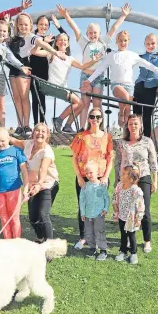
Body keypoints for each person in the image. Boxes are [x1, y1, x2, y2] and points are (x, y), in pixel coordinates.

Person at [57, 3, 131, 130]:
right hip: (86, 75)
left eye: (95, 33)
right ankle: (82, 127)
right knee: (85, 103)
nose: (92, 35)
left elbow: (114, 28)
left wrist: (123, 16)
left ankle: (99, 128)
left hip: (98, 77)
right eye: (90, 33)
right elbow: (75, 29)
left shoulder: (103, 42)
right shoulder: (84, 43)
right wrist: (66, 16)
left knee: (97, 104)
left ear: (99, 33)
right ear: (87, 34)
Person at [82, 30, 158, 128]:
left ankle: (125, 134)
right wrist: (89, 80)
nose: (123, 43)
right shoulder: (111, 55)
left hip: (130, 86)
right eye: (120, 41)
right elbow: (100, 69)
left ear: (128, 41)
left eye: (125, 40)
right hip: (117, 85)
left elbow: (148, 65)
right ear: (117, 42)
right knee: (126, 98)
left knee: (128, 113)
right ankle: (121, 113)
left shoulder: (132, 55)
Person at [8, 13, 67, 137]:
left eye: (26, 24)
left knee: (29, 98)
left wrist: (55, 52)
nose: (23, 27)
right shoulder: (16, 36)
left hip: (28, 68)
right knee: (17, 98)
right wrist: (9, 23)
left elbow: (44, 44)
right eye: (21, 24)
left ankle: (29, 124)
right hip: (14, 67)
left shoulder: (32, 37)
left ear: (30, 25)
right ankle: (20, 125)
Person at [31, 33, 102, 134]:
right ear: (56, 43)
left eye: (65, 40)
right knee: (78, 102)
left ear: (68, 44)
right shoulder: (51, 53)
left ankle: (67, 125)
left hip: (63, 87)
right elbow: (34, 51)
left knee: (81, 104)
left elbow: (82, 66)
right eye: (60, 39)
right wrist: (43, 42)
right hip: (52, 85)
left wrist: (93, 61)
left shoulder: (70, 59)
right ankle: (59, 120)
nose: (62, 41)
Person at [114, 114, 158, 253]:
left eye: (136, 124)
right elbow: (118, 162)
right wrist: (117, 180)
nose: (133, 126)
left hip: (143, 177)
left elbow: (153, 161)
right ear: (127, 126)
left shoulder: (147, 141)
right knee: (125, 209)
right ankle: (127, 237)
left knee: (144, 210)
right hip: (126, 180)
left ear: (140, 126)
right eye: (130, 123)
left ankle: (146, 240)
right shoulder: (122, 143)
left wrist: (155, 180)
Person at [70, 107, 113, 250]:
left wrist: (106, 177)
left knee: (100, 208)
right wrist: (79, 177)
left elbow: (110, 158)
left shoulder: (107, 137)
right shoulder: (81, 136)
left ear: (102, 119)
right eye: (92, 116)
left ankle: (97, 236)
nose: (95, 119)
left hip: (101, 178)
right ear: (88, 119)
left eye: (98, 117)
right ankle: (83, 237)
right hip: (84, 177)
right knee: (84, 207)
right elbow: (74, 157)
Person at [10, 123, 59, 243]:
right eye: (37, 130)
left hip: (48, 185)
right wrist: (3, 135)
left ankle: (50, 247)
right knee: (33, 218)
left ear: (47, 135)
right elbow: (15, 141)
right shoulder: (28, 144)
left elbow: (43, 169)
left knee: (43, 215)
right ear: (33, 133)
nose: (40, 133)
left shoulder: (47, 152)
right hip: (32, 184)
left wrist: (39, 184)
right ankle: (41, 238)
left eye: (43, 131)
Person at [30, 14, 67, 125]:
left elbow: (65, 38)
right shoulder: (32, 37)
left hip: (44, 71)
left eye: (46, 25)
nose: (43, 26)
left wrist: (58, 26)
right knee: (34, 98)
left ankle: (42, 124)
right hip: (33, 70)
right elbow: (31, 51)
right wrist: (43, 41)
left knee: (42, 98)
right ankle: (35, 124)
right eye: (41, 24)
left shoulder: (51, 39)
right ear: (37, 25)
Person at [112, 164, 145, 265]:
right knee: (123, 235)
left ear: (131, 179)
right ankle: (123, 251)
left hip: (131, 218)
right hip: (121, 215)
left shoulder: (135, 190)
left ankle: (133, 253)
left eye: (123, 174)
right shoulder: (119, 186)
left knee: (131, 235)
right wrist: (114, 204)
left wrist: (138, 218)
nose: (120, 175)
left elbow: (140, 206)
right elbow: (115, 195)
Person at [79, 162, 110, 261]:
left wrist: (105, 209)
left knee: (99, 231)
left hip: (99, 214)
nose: (88, 175)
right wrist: (83, 213)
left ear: (97, 172)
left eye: (91, 172)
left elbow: (106, 198)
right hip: (88, 215)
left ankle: (103, 250)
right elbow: (82, 200)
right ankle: (92, 248)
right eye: (86, 173)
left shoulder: (101, 185)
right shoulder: (85, 186)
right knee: (89, 232)